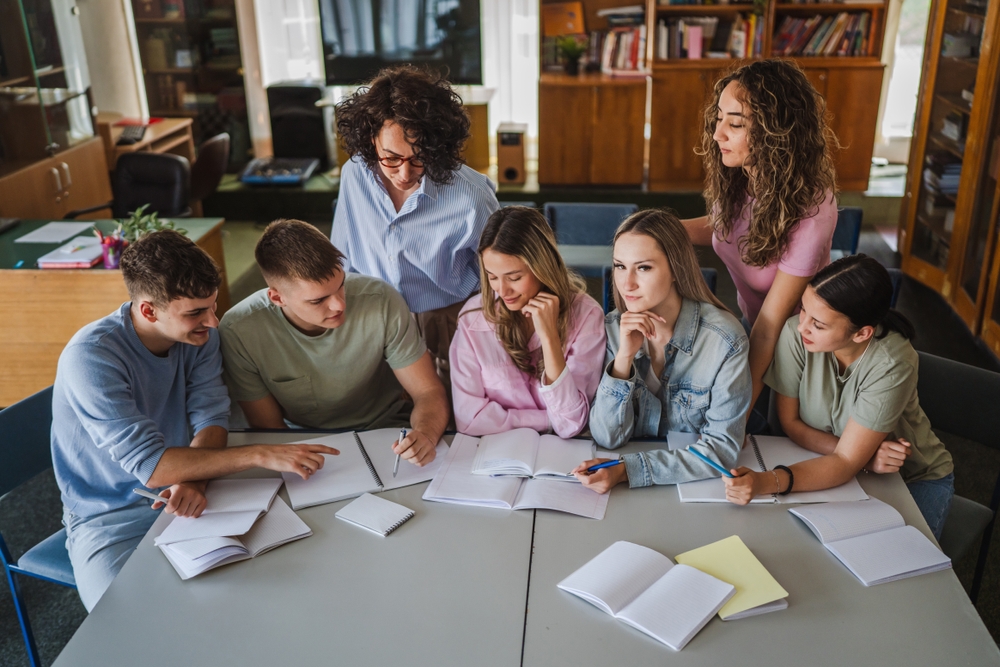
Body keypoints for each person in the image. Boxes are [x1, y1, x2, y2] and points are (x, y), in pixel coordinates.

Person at [52, 230, 338, 611]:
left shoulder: (200, 335)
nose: (214, 322)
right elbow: (154, 468)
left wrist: (195, 480)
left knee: (267, 595)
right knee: (124, 622)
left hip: (191, 490)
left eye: (213, 307)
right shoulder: (91, 357)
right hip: (109, 516)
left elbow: (212, 416)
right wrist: (260, 454)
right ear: (149, 311)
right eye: (196, 313)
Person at [723, 255, 955, 539]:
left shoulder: (892, 364)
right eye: (803, 309)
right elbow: (791, 424)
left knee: (900, 557)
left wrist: (766, 482)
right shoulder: (796, 335)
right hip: (846, 467)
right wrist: (864, 459)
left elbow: (845, 462)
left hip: (911, 478)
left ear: (862, 333)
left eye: (819, 324)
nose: (802, 326)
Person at [683, 59, 839, 428]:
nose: (718, 134)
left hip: (799, 352)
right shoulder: (744, 177)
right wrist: (656, 230)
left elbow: (771, 329)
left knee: (763, 437)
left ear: (776, 133)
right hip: (752, 327)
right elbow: (726, 227)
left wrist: (730, 426)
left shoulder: (812, 210)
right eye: (719, 118)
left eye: (735, 124)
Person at [219, 219, 448, 465]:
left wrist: (425, 434)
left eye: (341, 286)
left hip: (387, 432)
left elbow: (427, 392)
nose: (339, 305)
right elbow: (270, 429)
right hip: (301, 443)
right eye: (318, 300)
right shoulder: (238, 331)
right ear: (277, 298)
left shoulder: (381, 299)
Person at [332, 65, 500, 381]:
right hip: (374, 315)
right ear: (371, 140)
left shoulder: (472, 196)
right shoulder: (354, 174)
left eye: (419, 157)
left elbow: (497, 278)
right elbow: (342, 252)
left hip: (447, 318)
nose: (405, 173)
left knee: (449, 403)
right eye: (391, 158)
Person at [574, 210, 752, 493]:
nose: (627, 283)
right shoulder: (611, 329)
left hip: (694, 490)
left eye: (643, 268)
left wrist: (628, 470)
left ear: (676, 269)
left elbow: (722, 449)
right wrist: (624, 358)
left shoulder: (724, 340)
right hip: (636, 493)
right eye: (620, 266)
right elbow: (607, 438)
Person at [449, 206, 606, 438]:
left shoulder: (587, 315)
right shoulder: (473, 318)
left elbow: (571, 424)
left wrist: (550, 338)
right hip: (497, 451)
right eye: (492, 277)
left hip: (563, 452)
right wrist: (547, 420)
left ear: (543, 267)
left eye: (514, 277)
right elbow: (469, 421)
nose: (502, 291)